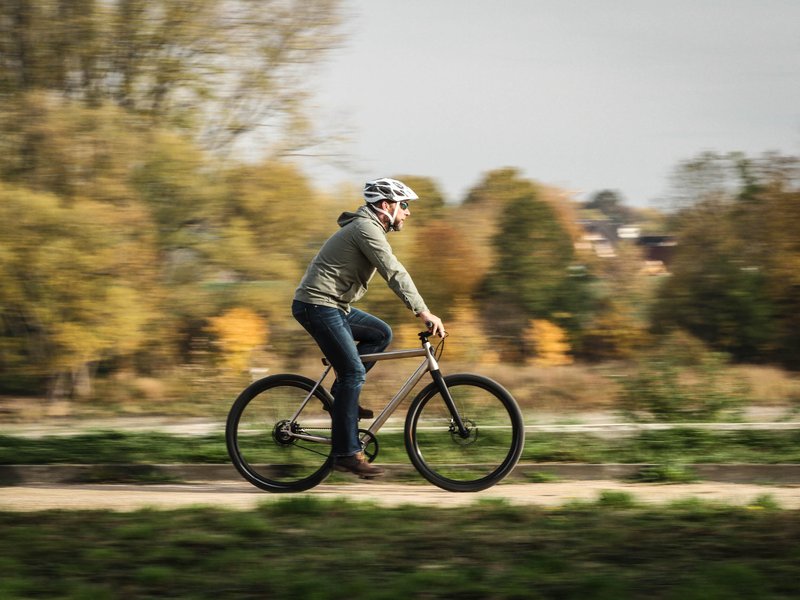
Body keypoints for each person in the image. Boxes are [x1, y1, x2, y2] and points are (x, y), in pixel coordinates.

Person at [292, 178, 445, 478]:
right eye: (404, 205)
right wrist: (423, 311)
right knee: (353, 373)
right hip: (318, 305)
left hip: (334, 306)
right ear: (386, 206)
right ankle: (346, 454)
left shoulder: (368, 228)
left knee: (381, 334)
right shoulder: (366, 229)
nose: (408, 212)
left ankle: (341, 398)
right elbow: (393, 271)